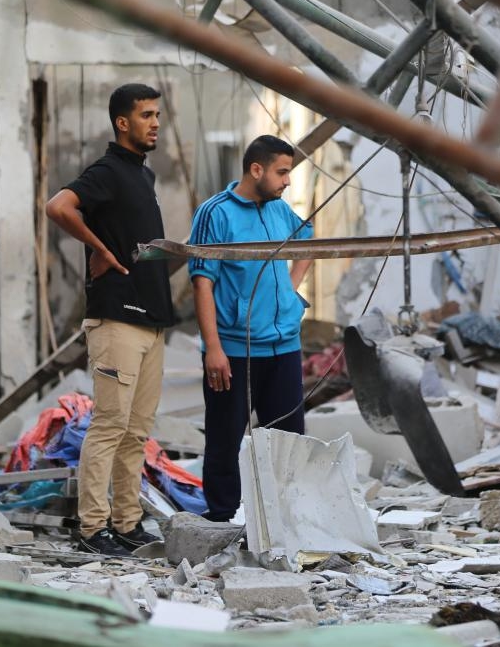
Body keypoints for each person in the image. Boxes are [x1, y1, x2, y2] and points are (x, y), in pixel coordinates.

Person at [45, 83, 175, 556]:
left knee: (136, 431)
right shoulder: (108, 171)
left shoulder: (144, 176)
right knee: (109, 425)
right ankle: (91, 528)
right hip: (117, 318)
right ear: (123, 122)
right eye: (146, 115)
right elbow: (58, 206)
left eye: (157, 114)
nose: (155, 123)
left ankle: (126, 522)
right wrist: (98, 248)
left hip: (152, 320)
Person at [188, 135, 314, 522]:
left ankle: (288, 520)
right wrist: (213, 347)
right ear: (256, 169)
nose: (287, 181)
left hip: (285, 346)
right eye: (282, 172)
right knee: (226, 439)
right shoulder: (216, 213)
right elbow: (202, 281)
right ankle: (223, 517)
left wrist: (288, 294)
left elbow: (307, 241)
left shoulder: (279, 210)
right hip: (235, 350)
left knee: (289, 441)